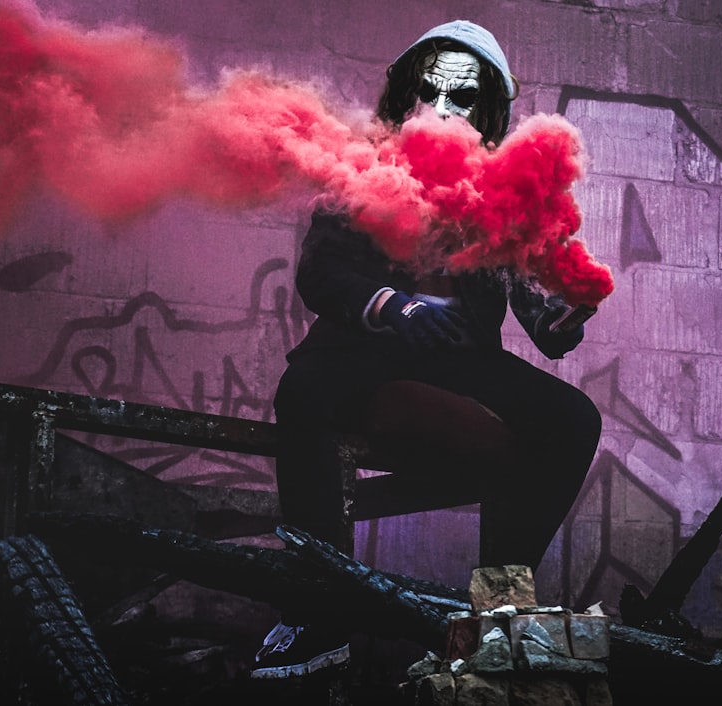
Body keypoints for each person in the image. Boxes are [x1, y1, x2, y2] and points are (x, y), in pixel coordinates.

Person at [251, 19, 603, 679]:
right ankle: (316, 612)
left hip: (459, 359)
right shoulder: (358, 164)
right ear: (407, 94)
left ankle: (495, 614)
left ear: (490, 110)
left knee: (572, 419)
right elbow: (320, 276)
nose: (442, 108)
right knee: (302, 393)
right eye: (430, 90)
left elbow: (543, 318)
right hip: (363, 351)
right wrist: (394, 307)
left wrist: (566, 316)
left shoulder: (503, 195)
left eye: (463, 97)